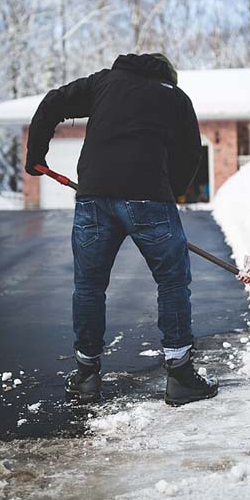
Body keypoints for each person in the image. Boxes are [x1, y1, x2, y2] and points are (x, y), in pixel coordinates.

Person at [25, 52, 218, 406]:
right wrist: (166, 190)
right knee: (172, 280)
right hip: (149, 198)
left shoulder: (103, 83)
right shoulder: (175, 97)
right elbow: (191, 152)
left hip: (94, 196)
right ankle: (179, 375)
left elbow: (53, 101)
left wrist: (35, 153)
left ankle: (85, 375)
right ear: (168, 76)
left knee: (89, 285)